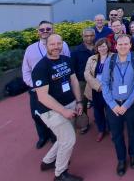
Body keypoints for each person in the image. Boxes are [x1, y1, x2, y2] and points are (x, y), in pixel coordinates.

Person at [32, 34, 83, 181]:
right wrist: (63, 111)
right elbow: (42, 97)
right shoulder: (41, 67)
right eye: (52, 44)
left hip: (70, 104)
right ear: (45, 45)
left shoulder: (66, 60)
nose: (56, 47)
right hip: (51, 110)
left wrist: (79, 102)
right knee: (68, 140)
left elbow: (73, 81)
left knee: (63, 137)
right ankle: (60, 174)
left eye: (59, 44)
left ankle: (47, 161)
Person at [101, 34, 134, 176]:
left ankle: (133, 155)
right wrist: (113, 105)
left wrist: (126, 105)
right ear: (115, 46)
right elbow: (105, 83)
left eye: (126, 44)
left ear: (130, 45)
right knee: (117, 134)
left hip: (130, 104)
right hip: (113, 104)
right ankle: (121, 159)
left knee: (133, 132)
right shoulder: (110, 60)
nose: (123, 46)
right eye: (120, 44)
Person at [22, 20, 70, 149]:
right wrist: (36, 85)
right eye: (42, 30)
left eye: (48, 29)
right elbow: (26, 71)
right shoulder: (30, 49)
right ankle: (43, 136)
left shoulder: (62, 45)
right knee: (36, 114)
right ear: (38, 32)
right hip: (37, 89)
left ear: (52, 30)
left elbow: (67, 64)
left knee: (56, 114)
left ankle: (56, 138)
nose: (45, 32)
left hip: (57, 88)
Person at [84, 38, 112, 142]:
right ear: (97, 48)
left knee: (110, 111)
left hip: (109, 89)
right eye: (100, 46)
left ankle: (112, 129)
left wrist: (105, 86)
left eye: (104, 46)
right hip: (95, 89)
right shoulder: (91, 58)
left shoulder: (114, 56)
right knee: (98, 111)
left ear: (107, 46)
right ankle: (101, 130)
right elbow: (87, 74)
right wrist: (98, 86)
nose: (102, 48)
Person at [70, 27, 95, 134]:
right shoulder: (76, 51)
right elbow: (73, 68)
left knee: (99, 102)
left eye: (91, 35)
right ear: (82, 36)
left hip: (96, 81)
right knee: (82, 104)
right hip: (82, 82)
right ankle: (84, 123)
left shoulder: (99, 47)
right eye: (86, 36)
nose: (89, 38)